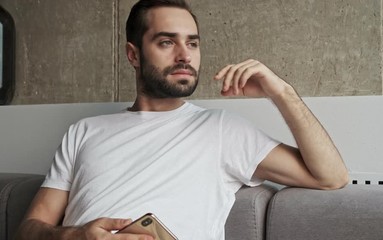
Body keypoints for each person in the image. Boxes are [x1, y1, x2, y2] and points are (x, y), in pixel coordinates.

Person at [15, 0, 348, 239]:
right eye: (166, 42)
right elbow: (29, 229)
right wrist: (74, 236)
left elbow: (331, 177)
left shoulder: (222, 130)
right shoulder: (84, 131)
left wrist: (281, 92)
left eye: (192, 43)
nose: (185, 55)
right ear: (133, 55)